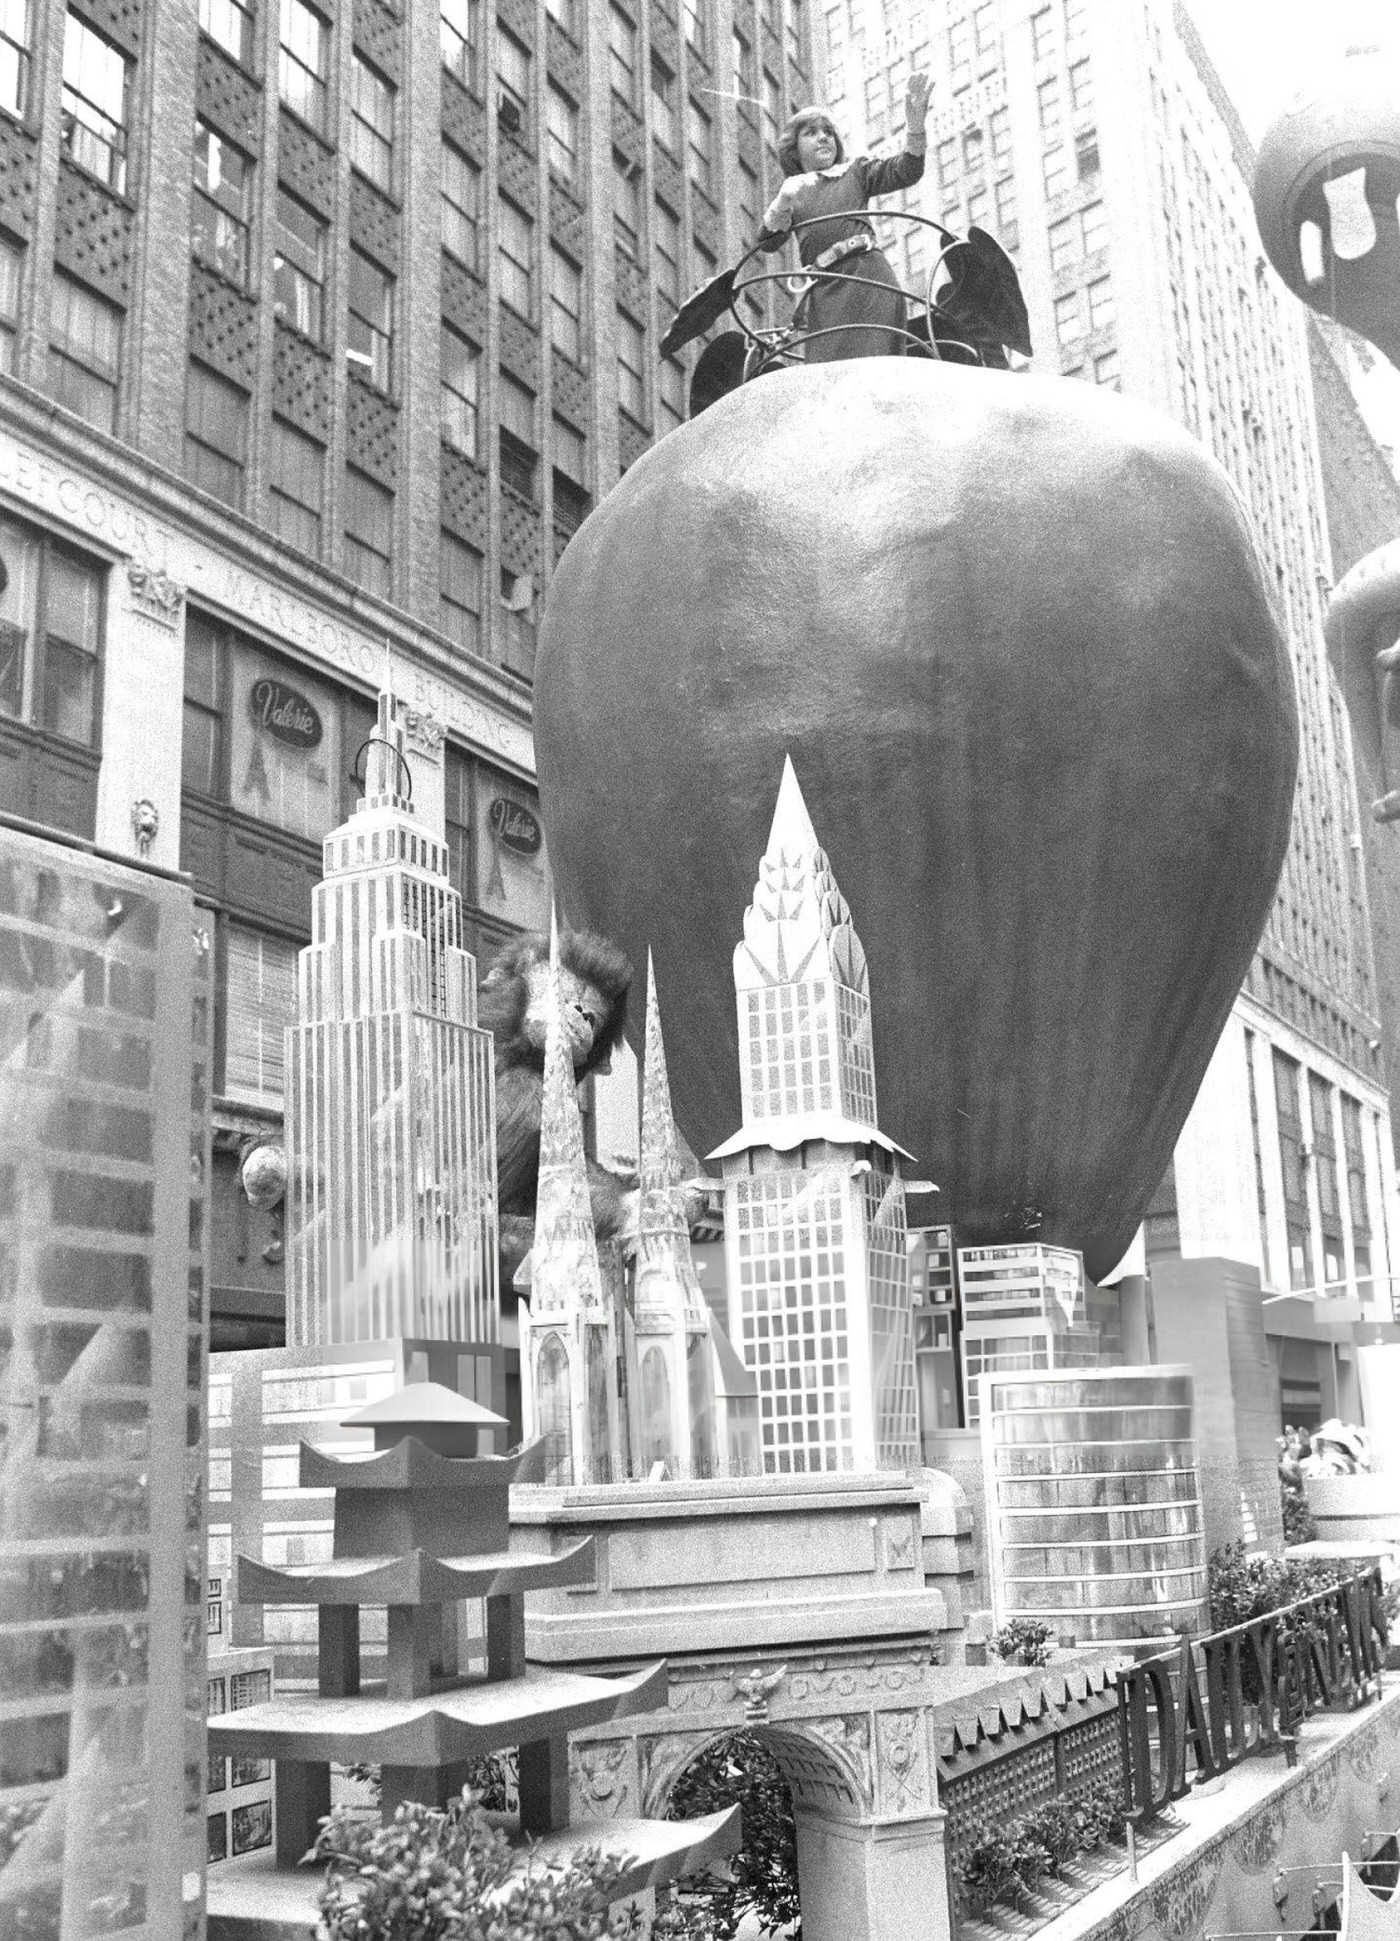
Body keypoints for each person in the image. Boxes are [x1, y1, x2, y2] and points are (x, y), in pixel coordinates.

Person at [754, 74, 932, 362]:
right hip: (827, 291)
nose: (823, 136)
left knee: (877, 364)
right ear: (794, 149)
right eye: (811, 133)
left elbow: (907, 170)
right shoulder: (793, 191)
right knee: (829, 374)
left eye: (827, 131)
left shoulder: (855, 172)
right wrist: (782, 203)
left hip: (870, 279)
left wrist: (915, 128)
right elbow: (767, 244)